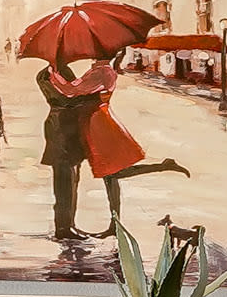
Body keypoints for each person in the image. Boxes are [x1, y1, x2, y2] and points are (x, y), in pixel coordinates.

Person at [36, 53, 188, 241]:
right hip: (70, 130)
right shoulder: (49, 74)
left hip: (96, 126)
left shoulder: (101, 72)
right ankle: (74, 227)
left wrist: (63, 83)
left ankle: (93, 225)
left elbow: (74, 92)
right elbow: (68, 97)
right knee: (102, 175)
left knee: (110, 173)